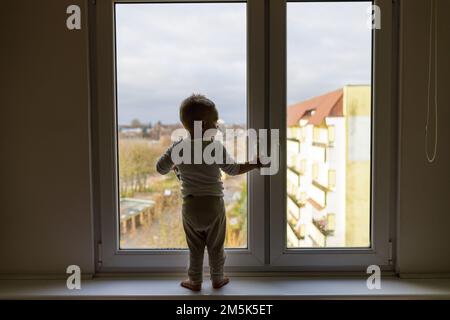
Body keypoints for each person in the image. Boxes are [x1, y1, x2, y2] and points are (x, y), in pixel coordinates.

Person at [156, 94, 263, 291]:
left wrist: (175, 167)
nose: (217, 125)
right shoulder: (214, 147)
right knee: (215, 246)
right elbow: (233, 169)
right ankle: (217, 278)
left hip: (190, 206)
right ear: (205, 124)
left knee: (195, 247)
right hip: (213, 205)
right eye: (215, 121)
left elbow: (160, 168)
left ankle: (195, 281)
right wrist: (255, 163)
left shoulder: (178, 147)